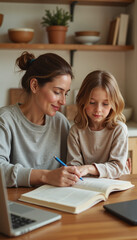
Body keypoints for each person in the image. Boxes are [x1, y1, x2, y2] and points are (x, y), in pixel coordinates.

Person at [0, 51, 81, 187]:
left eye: (65, 94)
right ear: (35, 86)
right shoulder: (5, 120)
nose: (63, 101)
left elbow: (77, 163)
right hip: (15, 204)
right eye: (57, 92)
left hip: (54, 202)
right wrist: (45, 176)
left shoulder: (60, 123)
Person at [67, 70, 130, 178]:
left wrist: (88, 168)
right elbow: (74, 167)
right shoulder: (75, 131)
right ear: (82, 101)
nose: (98, 109)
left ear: (113, 104)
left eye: (105, 104)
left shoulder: (119, 130)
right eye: (92, 102)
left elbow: (117, 168)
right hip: (87, 186)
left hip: (116, 184)